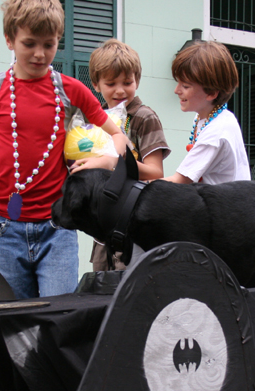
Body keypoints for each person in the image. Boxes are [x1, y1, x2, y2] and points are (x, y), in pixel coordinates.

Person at [0, 0, 129, 299]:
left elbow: (117, 135)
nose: (39, 54)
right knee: (14, 326)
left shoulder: (70, 90)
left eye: (49, 44)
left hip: (56, 229)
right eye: (29, 43)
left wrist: (106, 159)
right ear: (10, 39)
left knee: (59, 322)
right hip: (5, 230)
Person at [85, 38, 171, 271]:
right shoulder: (97, 121)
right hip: (103, 230)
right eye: (111, 83)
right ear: (96, 84)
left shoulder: (144, 117)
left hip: (134, 228)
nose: (120, 90)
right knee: (100, 297)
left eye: (127, 82)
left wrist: (115, 163)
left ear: (137, 80)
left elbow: (156, 173)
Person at [162, 41, 251, 184]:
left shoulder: (216, 131)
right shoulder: (207, 118)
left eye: (185, 86)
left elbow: (179, 181)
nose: (176, 90)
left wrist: (133, 188)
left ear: (211, 93)